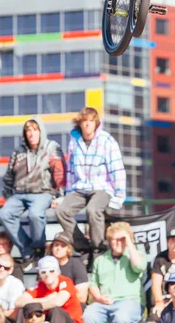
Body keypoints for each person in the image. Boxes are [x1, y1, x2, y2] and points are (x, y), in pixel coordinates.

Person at [55, 108, 126, 256]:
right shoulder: (74, 142)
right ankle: (83, 246)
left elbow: (116, 169)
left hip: (101, 187)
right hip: (80, 187)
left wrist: (119, 195)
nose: (87, 124)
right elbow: (71, 170)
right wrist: (67, 194)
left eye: (90, 121)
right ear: (79, 123)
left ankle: (97, 248)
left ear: (96, 123)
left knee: (93, 210)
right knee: (61, 211)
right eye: (84, 121)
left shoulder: (107, 140)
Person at [0, 117, 66, 266]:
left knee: (35, 214)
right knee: (5, 214)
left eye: (35, 130)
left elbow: (60, 172)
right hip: (19, 193)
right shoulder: (18, 152)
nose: (31, 134)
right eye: (28, 131)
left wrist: (61, 196)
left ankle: (38, 247)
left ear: (41, 131)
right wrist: (8, 196)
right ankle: (27, 250)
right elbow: (9, 176)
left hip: (43, 192)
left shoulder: (51, 148)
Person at [83, 221, 146, 323]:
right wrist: (99, 298)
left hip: (129, 301)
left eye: (122, 239)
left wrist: (129, 242)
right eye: (114, 239)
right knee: (89, 315)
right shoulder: (100, 260)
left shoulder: (136, 255)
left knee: (121, 317)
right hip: (104, 304)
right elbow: (93, 284)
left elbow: (139, 266)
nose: (118, 242)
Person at [15, 256, 83, 323]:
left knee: (55, 310)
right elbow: (18, 302)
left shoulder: (65, 282)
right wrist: (45, 299)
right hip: (48, 319)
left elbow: (58, 302)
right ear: (40, 274)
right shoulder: (39, 285)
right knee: (22, 310)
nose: (47, 275)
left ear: (58, 272)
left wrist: (34, 306)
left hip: (70, 320)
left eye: (51, 271)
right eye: (43, 272)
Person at [49, 232, 89, 306]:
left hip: (73, 304)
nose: (58, 248)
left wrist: (61, 301)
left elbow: (82, 297)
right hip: (52, 305)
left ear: (69, 249)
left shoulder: (76, 264)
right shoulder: (47, 265)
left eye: (63, 246)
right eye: (56, 245)